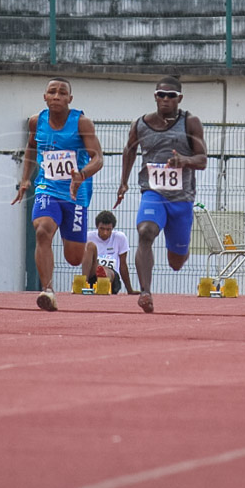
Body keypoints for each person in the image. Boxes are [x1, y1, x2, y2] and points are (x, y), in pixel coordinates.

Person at [115, 76, 208, 313]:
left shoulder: (191, 122)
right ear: (155, 96)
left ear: (179, 98)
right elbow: (130, 149)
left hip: (181, 198)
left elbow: (202, 159)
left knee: (176, 262)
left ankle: (181, 248)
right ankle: (145, 292)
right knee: (145, 232)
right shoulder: (141, 123)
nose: (165, 99)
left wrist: (184, 160)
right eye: (161, 94)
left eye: (171, 96)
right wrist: (124, 182)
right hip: (152, 192)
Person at [13, 78, 103, 311]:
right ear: (44, 96)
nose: (56, 96)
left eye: (62, 93)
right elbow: (32, 147)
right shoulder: (36, 121)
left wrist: (81, 174)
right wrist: (25, 178)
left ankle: (91, 256)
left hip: (76, 192)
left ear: (69, 99)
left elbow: (98, 158)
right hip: (47, 188)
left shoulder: (82, 123)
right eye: (51, 92)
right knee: (42, 230)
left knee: (74, 258)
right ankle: (48, 290)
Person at [83, 210, 138, 295]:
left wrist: (129, 289)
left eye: (108, 229)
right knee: (89, 246)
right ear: (97, 226)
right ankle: (84, 283)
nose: (105, 233)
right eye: (102, 229)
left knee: (105, 270)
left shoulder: (120, 238)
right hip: (93, 274)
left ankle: (103, 279)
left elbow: (123, 265)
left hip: (112, 277)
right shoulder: (89, 236)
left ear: (112, 228)